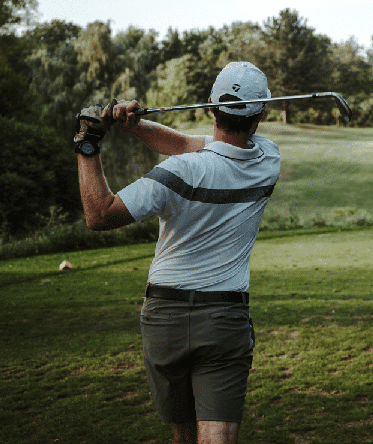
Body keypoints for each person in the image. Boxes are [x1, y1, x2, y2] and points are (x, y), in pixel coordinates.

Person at [74, 62, 280, 444]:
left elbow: (99, 214)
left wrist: (89, 145)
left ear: (209, 105)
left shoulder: (176, 173)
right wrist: (134, 126)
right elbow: (190, 145)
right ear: (261, 113)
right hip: (224, 318)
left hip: (164, 318)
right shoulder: (268, 159)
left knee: (182, 436)